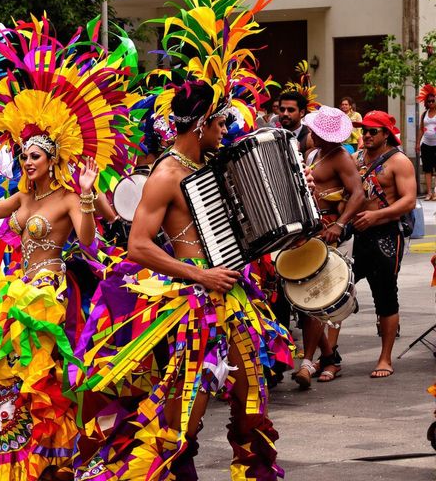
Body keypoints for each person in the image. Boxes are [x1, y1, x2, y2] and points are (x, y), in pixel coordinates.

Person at [0, 17, 126, 481]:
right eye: (23, 155)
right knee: (4, 371)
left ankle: (51, 452)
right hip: (17, 287)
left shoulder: (65, 197)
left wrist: (86, 193)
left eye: (34, 156)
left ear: (52, 159)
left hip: (51, 291)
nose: (26, 160)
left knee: (43, 374)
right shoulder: (23, 197)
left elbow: (87, 242)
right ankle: (11, 454)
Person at [79, 83, 293, 480]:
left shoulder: (211, 165)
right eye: (221, 122)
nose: (226, 129)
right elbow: (138, 246)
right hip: (196, 308)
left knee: (251, 403)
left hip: (234, 300)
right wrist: (201, 273)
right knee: (182, 421)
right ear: (200, 125)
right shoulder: (165, 174)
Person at [289, 105, 365, 388]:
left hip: (331, 234)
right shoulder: (313, 154)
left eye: (316, 131)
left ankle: (308, 363)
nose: (311, 134)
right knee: (309, 300)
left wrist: (340, 224)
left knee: (323, 299)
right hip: (311, 232)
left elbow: (357, 193)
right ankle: (330, 357)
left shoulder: (341, 158)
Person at [351, 110, 416, 379]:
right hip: (358, 234)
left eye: (372, 131)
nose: (365, 135)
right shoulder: (357, 159)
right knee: (336, 290)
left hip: (387, 235)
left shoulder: (400, 162)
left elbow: (409, 200)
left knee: (386, 297)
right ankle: (327, 356)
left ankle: (385, 357)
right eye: (363, 130)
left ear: (386, 134)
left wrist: (376, 215)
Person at [416, 85, 436, 200]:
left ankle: (435, 191)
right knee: (427, 169)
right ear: (426, 103)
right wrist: (418, 143)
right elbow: (421, 129)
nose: (431, 102)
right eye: (429, 101)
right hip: (426, 145)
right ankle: (429, 192)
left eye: (433, 100)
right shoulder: (424, 114)